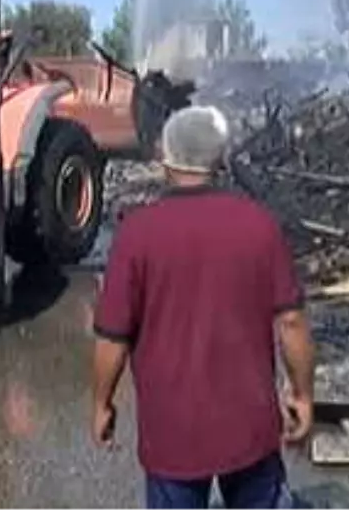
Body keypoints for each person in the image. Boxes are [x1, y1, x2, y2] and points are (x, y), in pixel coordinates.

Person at [91, 105, 316, 510]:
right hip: (249, 425)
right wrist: (302, 394)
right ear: (220, 159)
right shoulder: (258, 224)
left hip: (172, 433)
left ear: (165, 157)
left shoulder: (137, 234)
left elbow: (113, 337)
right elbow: (292, 321)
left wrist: (102, 403)